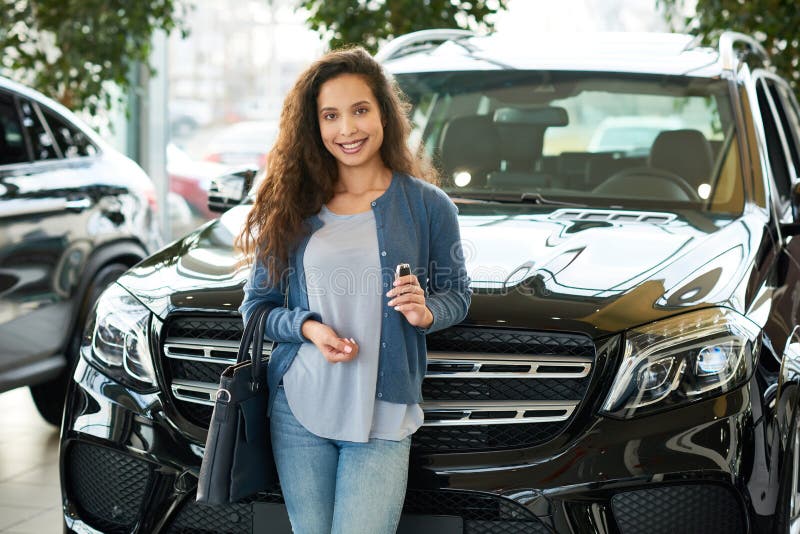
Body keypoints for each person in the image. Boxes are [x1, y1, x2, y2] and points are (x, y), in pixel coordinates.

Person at [237, 46, 471, 534]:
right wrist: (307, 329)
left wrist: (427, 313)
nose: (348, 129)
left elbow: (457, 295)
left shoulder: (429, 206)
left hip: (384, 415)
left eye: (360, 110)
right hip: (299, 407)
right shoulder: (292, 206)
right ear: (314, 126)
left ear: (383, 113)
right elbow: (256, 309)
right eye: (331, 115)